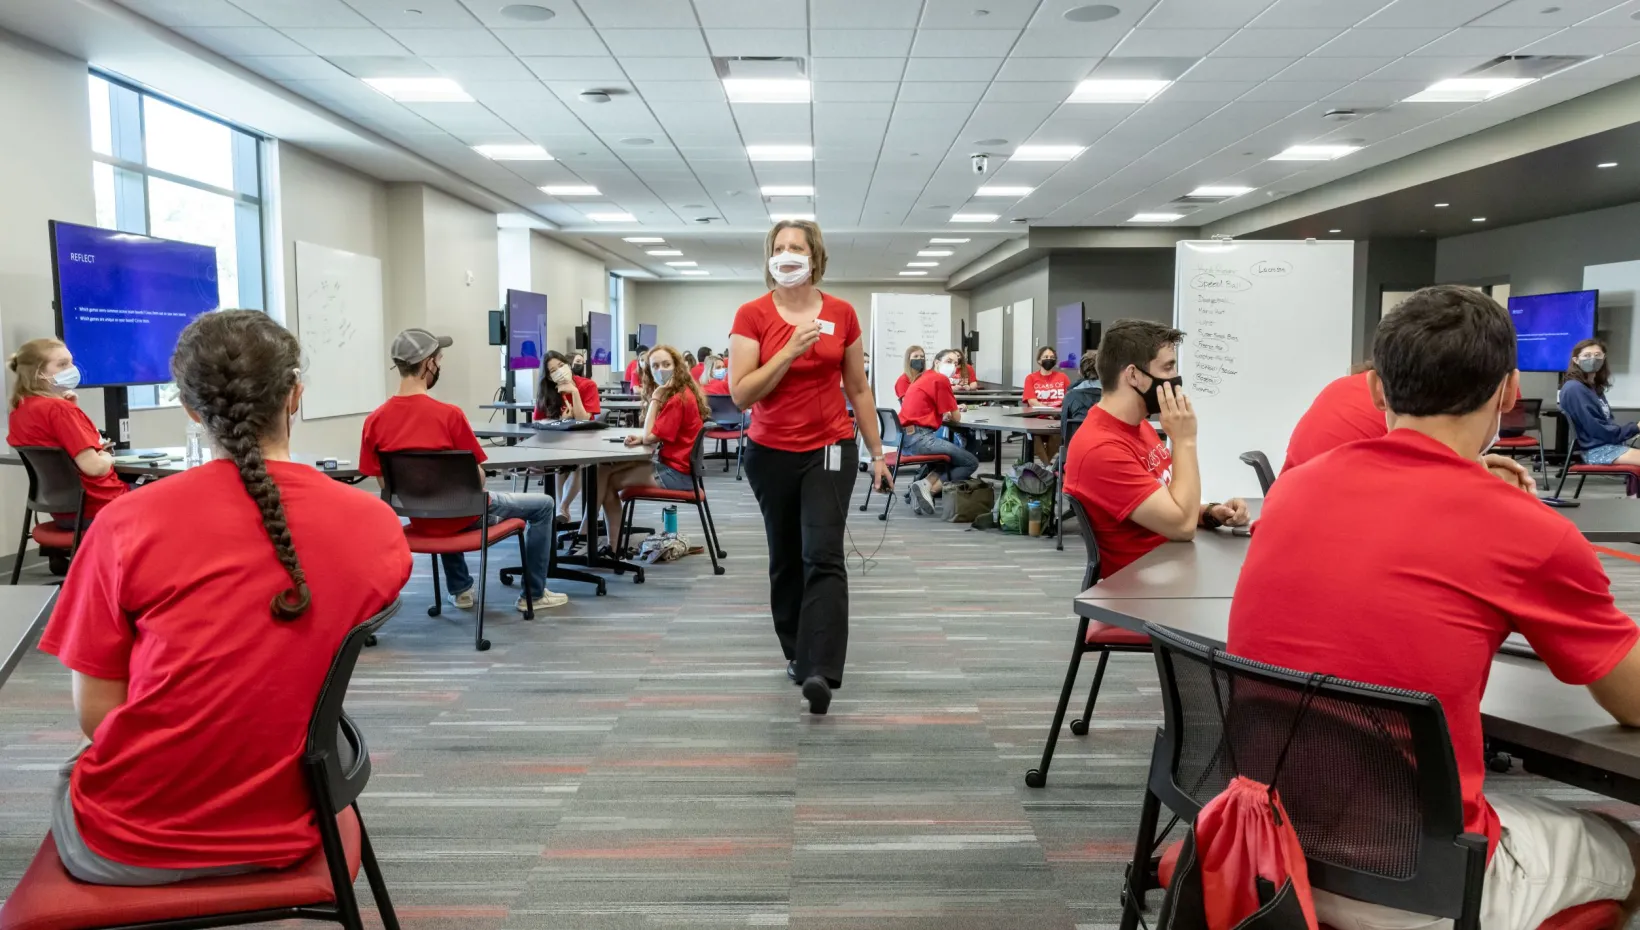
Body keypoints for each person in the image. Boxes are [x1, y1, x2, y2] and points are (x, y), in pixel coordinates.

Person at [1228, 285, 1640, 930]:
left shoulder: (1291, 493)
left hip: (1267, 849)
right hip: (1414, 880)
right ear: (1508, 392)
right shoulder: (1525, 529)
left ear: (1374, 390)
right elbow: (1632, 701)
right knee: (1630, 853)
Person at [36, 310, 411, 886]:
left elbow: (97, 717)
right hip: (293, 820)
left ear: (190, 409)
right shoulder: (376, 526)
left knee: (72, 768)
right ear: (296, 396)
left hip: (133, 841)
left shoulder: (125, 525)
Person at [731, 219, 891, 716]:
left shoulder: (841, 313)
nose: (787, 255)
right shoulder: (752, 315)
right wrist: (788, 352)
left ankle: (819, 669)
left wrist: (878, 452)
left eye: (796, 247)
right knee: (786, 556)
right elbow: (741, 393)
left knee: (822, 554)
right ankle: (797, 652)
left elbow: (858, 389)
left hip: (830, 448)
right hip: (770, 451)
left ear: (814, 256)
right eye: (778, 248)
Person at [360, 328, 568, 612]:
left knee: (444, 499)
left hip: (421, 519)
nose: (440, 364)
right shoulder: (449, 415)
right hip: (465, 516)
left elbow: (385, 483)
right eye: (439, 359)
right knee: (544, 505)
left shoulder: (375, 421)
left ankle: (460, 589)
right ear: (428, 364)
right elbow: (477, 478)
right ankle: (533, 594)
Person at [1063, 319, 1250, 577]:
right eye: (1168, 367)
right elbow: (1181, 526)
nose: (1175, 379)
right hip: (1144, 595)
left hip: (1175, 568)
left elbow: (1170, 503)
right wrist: (1185, 440)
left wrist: (1211, 513)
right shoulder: (1100, 449)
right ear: (1133, 376)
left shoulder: (1140, 426)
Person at [1286, 358, 1537, 490]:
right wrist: (1490, 488)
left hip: (1291, 498)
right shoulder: (1412, 409)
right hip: (1345, 509)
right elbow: (1437, 494)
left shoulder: (1345, 386)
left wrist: (1474, 466)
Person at [582, 346, 707, 554]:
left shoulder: (676, 398)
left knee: (608, 482)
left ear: (677, 367)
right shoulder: (683, 392)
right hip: (680, 468)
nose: (661, 370)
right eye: (655, 366)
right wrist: (643, 436)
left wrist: (656, 398)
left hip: (677, 474)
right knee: (601, 471)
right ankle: (594, 534)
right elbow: (658, 434)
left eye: (666, 364)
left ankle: (605, 543)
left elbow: (651, 437)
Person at [6, 337, 126, 527]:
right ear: (38, 373)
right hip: (100, 507)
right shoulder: (59, 410)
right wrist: (107, 457)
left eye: (71, 362)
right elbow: (94, 468)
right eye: (62, 364)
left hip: (64, 513)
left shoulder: (19, 410)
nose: (71, 369)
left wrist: (71, 413)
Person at [898, 348, 980, 514]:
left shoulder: (923, 377)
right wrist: (954, 410)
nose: (953, 366)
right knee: (970, 462)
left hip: (905, 439)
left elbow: (932, 409)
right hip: (921, 439)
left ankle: (924, 485)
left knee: (950, 458)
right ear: (936, 362)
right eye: (948, 361)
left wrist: (946, 414)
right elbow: (956, 417)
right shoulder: (940, 379)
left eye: (955, 363)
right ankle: (928, 490)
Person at [1560, 338, 1640, 466]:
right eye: (1587, 355)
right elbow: (1598, 431)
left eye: (1597, 355)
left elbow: (1607, 424)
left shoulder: (1594, 387)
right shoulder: (1574, 389)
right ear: (1576, 360)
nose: (1593, 359)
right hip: (1597, 451)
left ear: (1604, 358)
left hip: (1609, 446)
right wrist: (1635, 427)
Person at [1023, 345, 1071, 462]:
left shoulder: (1062, 377)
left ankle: (1045, 467)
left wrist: (1055, 414)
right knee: (1034, 436)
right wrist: (1048, 410)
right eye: (1045, 357)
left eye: (1051, 357)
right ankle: (1047, 466)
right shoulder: (1031, 378)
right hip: (1037, 419)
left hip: (1056, 419)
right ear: (1039, 360)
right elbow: (1031, 400)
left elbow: (1069, 397)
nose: (1049, 359)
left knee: (1058, 435)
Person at [1061, 351, 1101, 423]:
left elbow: (1064, 427)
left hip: (1077, 434)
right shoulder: (1113, 395)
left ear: (1081, 371)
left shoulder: (1070, 395)